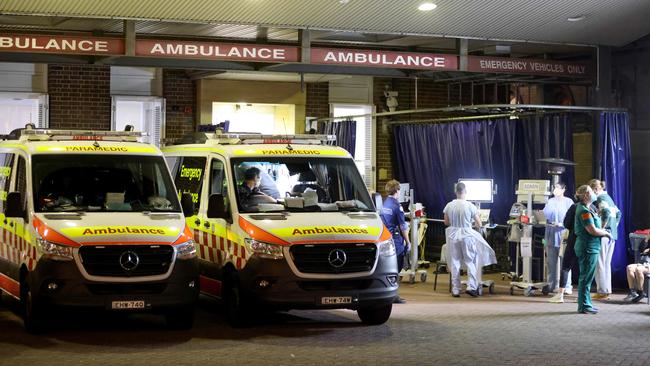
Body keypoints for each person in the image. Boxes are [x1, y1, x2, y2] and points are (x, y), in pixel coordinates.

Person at [443, 182, 496, 298]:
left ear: (456, 191)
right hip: (467, 235)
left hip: (453, 235)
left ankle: (456, 289)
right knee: (470, 261)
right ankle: (471, 287)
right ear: (465, 192)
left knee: (455, 262)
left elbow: (446, 222)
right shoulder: (470, 206)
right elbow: (479, 223)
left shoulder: (448, 205)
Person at [574, 185, 613, 314]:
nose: (594, 193)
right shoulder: (584, 211)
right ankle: (584, 305)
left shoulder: (588, 209)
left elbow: (597, 226)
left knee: (587, 278)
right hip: (587, 248)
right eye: (591, 191)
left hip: (591, 247)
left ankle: (586, 303)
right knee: (585, 278)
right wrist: (606, 233)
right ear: (586, 195)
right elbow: (592, 230)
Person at [588, 179, 621, 300]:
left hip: (603, 235)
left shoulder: (600, 199)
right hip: (612, 235)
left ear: (596, 189)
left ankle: (602, 291)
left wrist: (601, 228)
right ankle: (607, 290)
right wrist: (614, 226)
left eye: (591, 191)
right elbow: (619, 213)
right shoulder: (609, 198)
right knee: (606, 263)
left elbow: (606, 213)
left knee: (600, 263)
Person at [379, 179, 411, 304]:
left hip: (387, 238)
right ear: (397, 190)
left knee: (388, 266)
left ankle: (388, 292)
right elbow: (403, 226)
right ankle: (393, 294)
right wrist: (408, 242)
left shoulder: (384, 203)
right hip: (396, 240)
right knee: (396, 267)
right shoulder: (397, 206)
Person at [549, 199, 579, 303]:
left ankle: (560, 294)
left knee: (566, 267)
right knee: (585, 270)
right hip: (588, 243)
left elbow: (567, 223)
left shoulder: (574, 207)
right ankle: (583, 295)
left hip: (574, 239)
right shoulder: (593, 208)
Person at [623, 234, 650, 303]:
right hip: (643, 262)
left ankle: (641, 292)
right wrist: (646, 239)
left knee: (639, 270)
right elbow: (641, 249)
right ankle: (632, 292)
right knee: (629, 268)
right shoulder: (647, 239)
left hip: (648, 264)